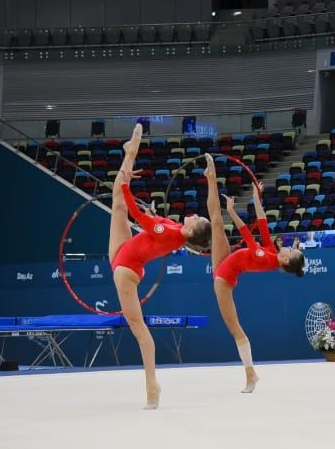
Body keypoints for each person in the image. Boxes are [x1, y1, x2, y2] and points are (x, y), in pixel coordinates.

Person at [110, 124, 212, 408]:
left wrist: (129, 185)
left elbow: (138, 215)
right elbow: (145, 221)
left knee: (139, 329)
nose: (192, 215)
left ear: (192, 233)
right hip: (123, 252)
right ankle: (130, 152)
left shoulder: (172, 233)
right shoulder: (176, 229)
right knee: (116, 201)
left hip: (126, 270)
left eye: (196, 219)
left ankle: (152, 386)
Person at [206, 157, 304, 392]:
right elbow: (262, 222)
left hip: (224, 278)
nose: (289, 246)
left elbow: (246, 234)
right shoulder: (271, 250)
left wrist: (231, 209)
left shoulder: (266, 257)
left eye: (291, 249)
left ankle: (251, 374)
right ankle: (211, 176)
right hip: (225, 262)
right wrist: (256, 195)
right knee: (216, 222)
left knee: (234, 327)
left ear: (286, 259)